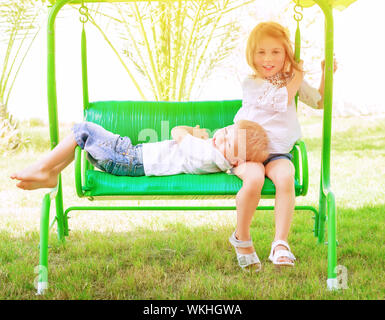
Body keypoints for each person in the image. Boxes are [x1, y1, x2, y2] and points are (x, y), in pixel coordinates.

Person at [229, 21, 338, 271]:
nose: (268, 59)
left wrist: (325, 74)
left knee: (286, 177)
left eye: (276, 52)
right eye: (261, 52)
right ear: (251, 55)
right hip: (248, 150)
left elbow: (319, 102)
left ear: (286, 53)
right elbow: (280, 100)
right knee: (254, 180)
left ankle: (280, 243)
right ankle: (242, 236)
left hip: (278, 152)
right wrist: (298, 75)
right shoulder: (251, 82)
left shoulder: (291, 80)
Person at [10, 120, 269, 190]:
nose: (219, 136)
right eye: (225, 131)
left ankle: (44, 168)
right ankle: (51, 173)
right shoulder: (219, 158)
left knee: (84, 129)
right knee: (84, 134)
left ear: (236, 160)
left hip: (130, 160)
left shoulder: (207, 153)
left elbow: (178, 132)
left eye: (227, 141)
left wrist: (193, 132)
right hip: (132, 157)